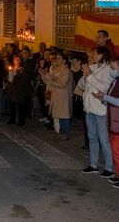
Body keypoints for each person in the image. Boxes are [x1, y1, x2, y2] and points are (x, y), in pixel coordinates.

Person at [77, 46, 115, 177]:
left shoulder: (108, 69)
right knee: (92, 137)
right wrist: (84, 77)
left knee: (104, 139)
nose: (91, 56)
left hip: (101, 110)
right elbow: (81, 86)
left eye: (94, 54)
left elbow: (105, 87)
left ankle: (109, 167)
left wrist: (90, 76)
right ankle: (93, 165)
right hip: (89, 108)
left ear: (101, 56)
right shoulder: (92, 68)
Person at [92, 57, 119, 188]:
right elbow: (110, 98)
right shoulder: (115, 81)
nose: (112, 71)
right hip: (113, 119)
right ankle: (117, 174)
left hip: (117, 120)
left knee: (116, 148)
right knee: (115, 148)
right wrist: (103, 99)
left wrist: (104, 96)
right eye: (112, 68)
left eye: (114, 68)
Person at [39, 52, 74, 141]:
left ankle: (65, 134)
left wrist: (51, 81)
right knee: (60, 115)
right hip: (57, 95)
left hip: (63, 96)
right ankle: (60, 133)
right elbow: (51, 79)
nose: (56, 60)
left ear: (64, 61)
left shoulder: (66, 71)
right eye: (57, 58)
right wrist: (44, 75)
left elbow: (63, 84)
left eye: (59, 58)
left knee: (64, 115)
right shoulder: (57, 70)